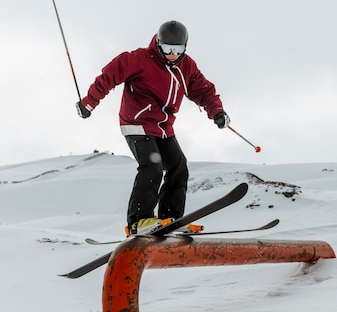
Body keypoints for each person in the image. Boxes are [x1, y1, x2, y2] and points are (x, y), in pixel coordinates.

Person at [76, 20, 230, 235]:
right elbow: (109, 76)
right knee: (152, 167)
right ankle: (138, 221)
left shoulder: (187, 67)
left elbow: (204, 90)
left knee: (179, 167)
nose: (172, 55)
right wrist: (88, 103)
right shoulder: (139, 59)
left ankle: (171, 219)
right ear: (158, 43)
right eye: (167, 49)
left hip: (163, 128)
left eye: (178, 50)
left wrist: (217, 111)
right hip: (136, 123)